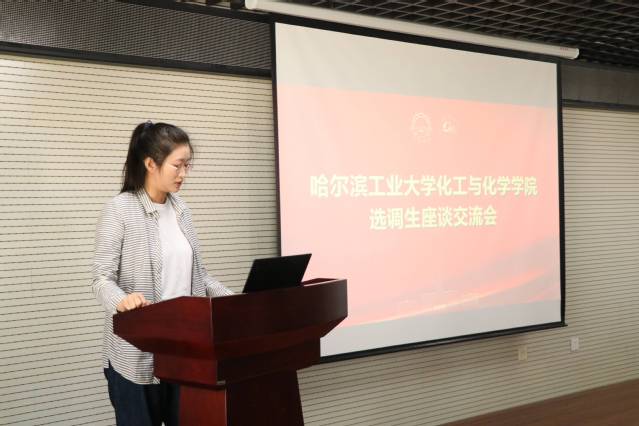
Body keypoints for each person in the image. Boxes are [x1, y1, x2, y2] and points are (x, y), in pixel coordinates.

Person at [92, 121, 233, 426]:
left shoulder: (182, 210)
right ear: (150, 164)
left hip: (184, 354)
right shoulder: (120, 209)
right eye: (177, 165)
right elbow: (101, 279)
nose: (184, 174)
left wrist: (235, 299)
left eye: (187, 165)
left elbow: (200, 277)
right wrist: (122, 301)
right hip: (136, 357)